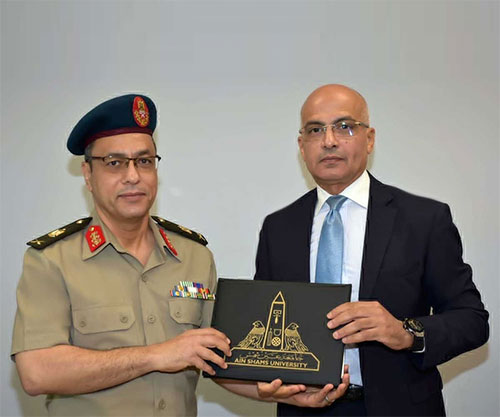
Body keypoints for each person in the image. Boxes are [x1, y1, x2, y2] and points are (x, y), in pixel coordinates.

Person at [222, 84, 489, 416]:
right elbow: (265, 323)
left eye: (344, 126)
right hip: (303, 408)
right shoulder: (278, 227)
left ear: (370, 139)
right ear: (302, 146)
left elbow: (472, 321)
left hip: (399, 408)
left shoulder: (423, 219)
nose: (329, 140)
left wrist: (405, 332)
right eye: (315, 130)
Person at [11, 94, 231, 416]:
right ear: (88, 175)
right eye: (114, 163)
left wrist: (279, 390)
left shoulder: (195, 256)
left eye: (144, 161)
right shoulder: (51, 261)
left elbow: (220, 356)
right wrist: (155, 355)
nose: (133, 176)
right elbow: (37, 372)